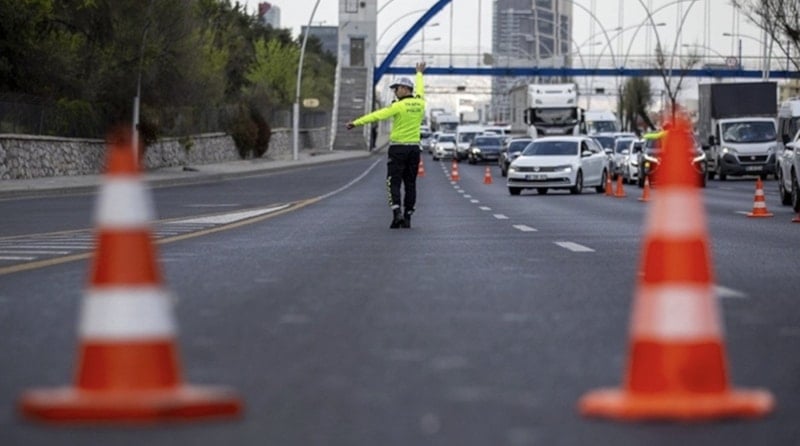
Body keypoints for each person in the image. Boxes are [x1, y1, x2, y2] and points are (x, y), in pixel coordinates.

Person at [346, 62, 427, 228]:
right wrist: (419, 73)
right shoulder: (420, 103)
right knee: (410, 183)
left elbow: (377, 116)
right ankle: (408, 216)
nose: (395, 92)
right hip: (414, 149)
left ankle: (397, 212)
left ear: (404, 89)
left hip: (398, 149)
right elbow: (420, 89)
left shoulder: (397, 106)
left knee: (393, 182)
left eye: (396, 88)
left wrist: (356, 123)